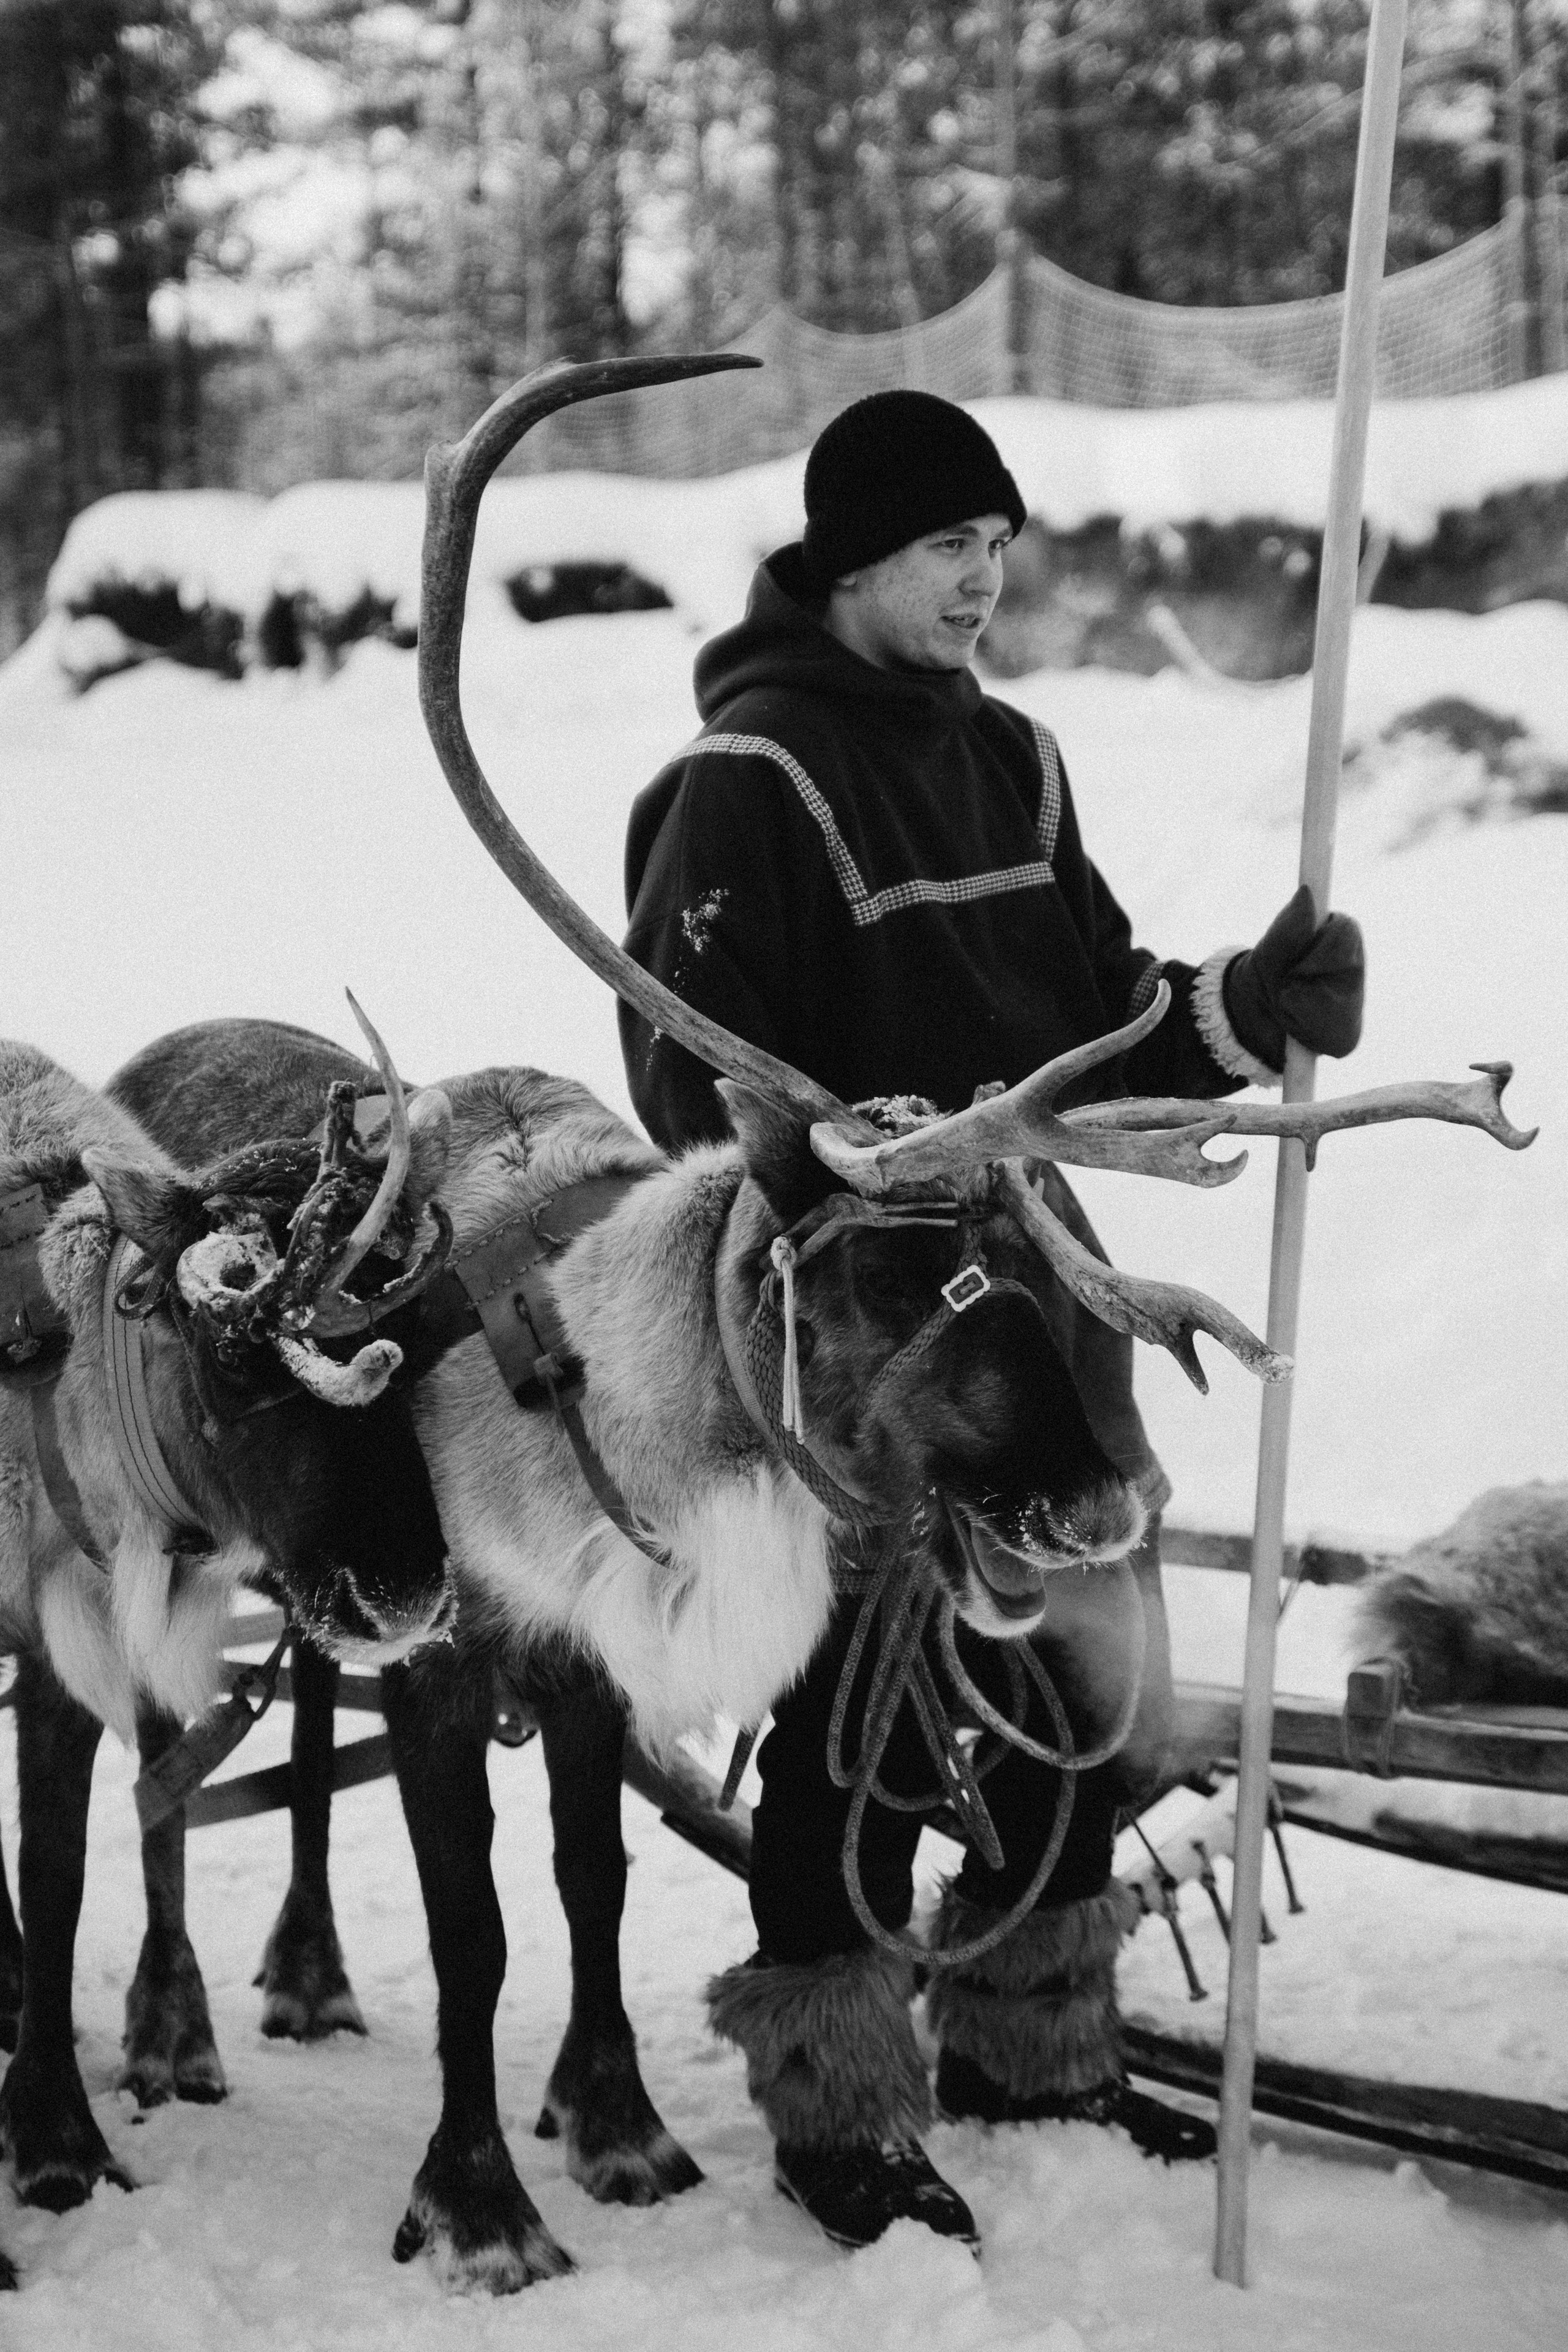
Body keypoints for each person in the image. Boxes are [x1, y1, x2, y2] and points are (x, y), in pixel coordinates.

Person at [619, 390, 1364, 2252]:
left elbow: (1098, 1013)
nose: (986, 580)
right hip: (866, 1334)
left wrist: (1246, 1006)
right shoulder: (746, 784)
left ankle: (1036, 2048)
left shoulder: (1017, 761)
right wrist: (864, 1149)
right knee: (862, 1715)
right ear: (859, 555)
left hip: (1047, 1291)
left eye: (1000, 547)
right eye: (954, 546)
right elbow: (685, 1087)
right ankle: (842, 2106)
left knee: (1085, 1682)